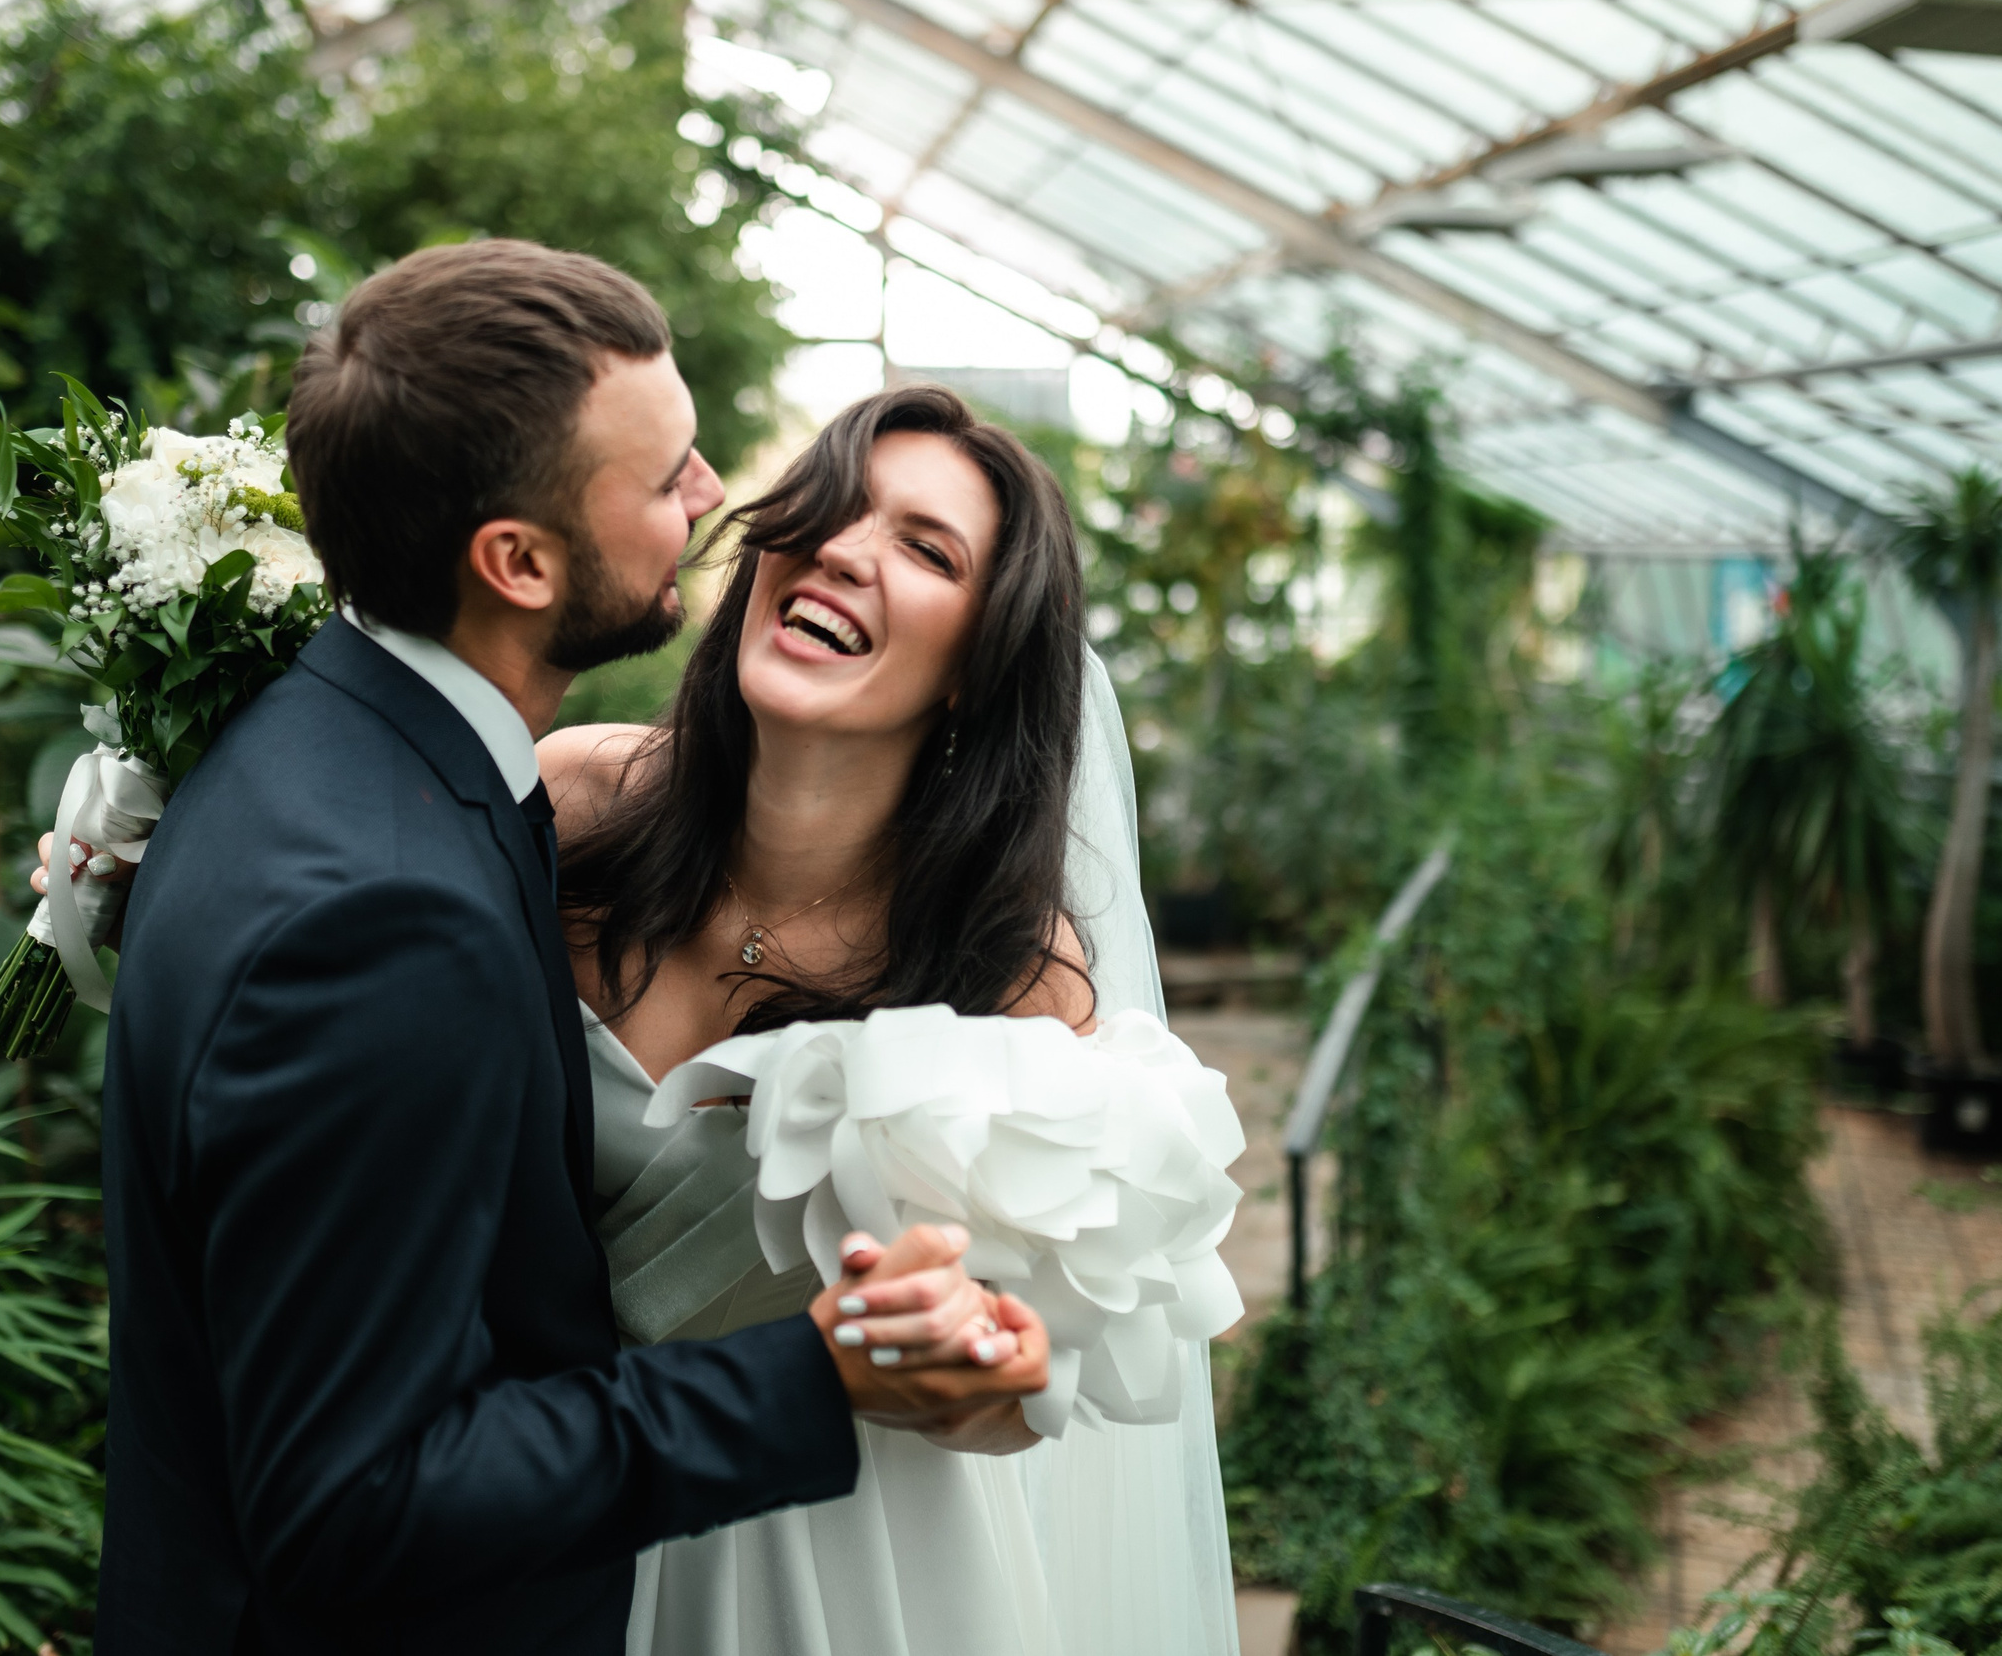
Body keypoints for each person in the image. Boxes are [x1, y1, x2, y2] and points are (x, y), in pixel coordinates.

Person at [89, 240, 1050, 1656]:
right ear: (519, 561)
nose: (724, 497)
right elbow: (357, 1498)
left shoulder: (323, 744)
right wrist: (816, 1378)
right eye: (667, 479)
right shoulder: (391, 912)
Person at [541, 383, 1243, 1656]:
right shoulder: (570, 799)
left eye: (925, 548)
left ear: (981, 662)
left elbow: (1007, 1403)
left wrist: (976, 1361)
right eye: (830, 508)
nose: (844, 551)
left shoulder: (1012, 971)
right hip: (519, 1494)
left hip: (823, 1565)